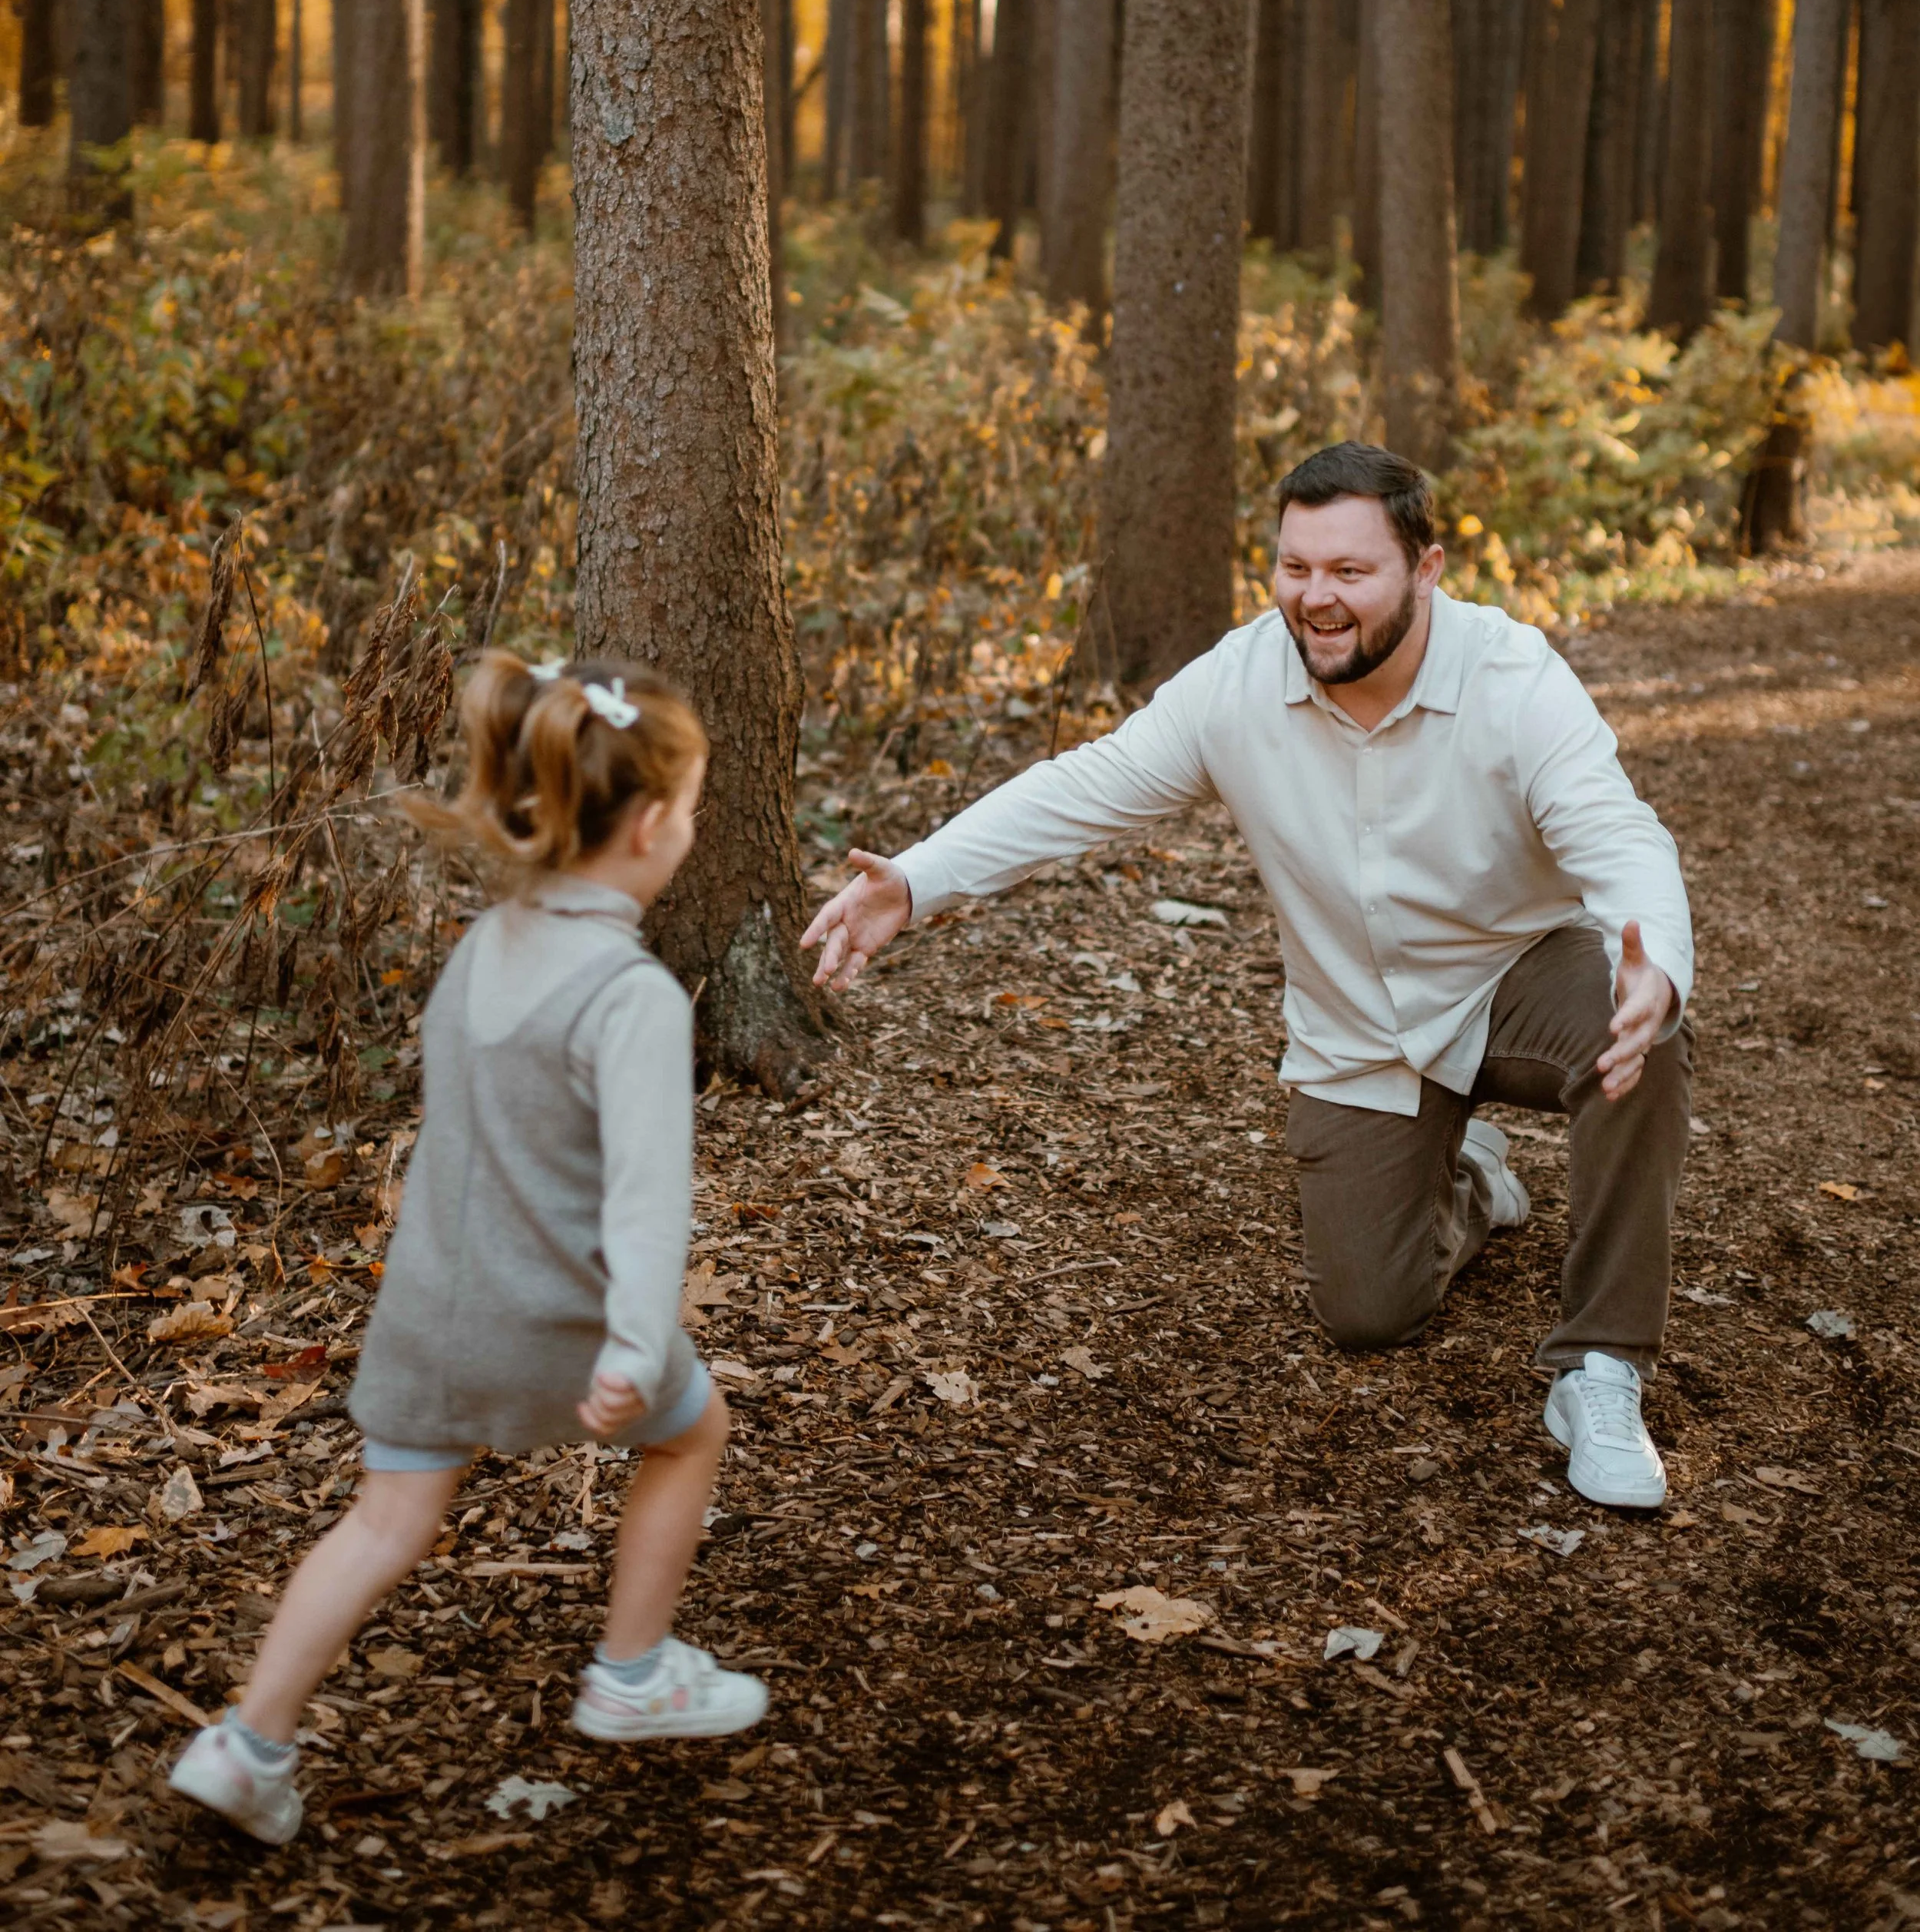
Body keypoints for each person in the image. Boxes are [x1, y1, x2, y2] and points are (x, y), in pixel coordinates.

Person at [804, 441, 1694, 1513]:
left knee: (1637, 1028)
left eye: (1351, 571)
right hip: (1357, 1027)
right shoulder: (1239, 682)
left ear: (1428, 568)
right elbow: (1088, 783)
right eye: (1295, 567)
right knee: (1367, 1312)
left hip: (1514, 976)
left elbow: (1618, 832)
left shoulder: (1513, 677)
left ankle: (1598, 1366)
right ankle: (1470, 1180)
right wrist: (916, 880)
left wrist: (1659, 967)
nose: (1316, 598)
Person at [167, 654, 766, 1847]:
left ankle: (247, 1742)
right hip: (555, 1322)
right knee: (693, 1430)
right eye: (692, 806)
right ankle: (633, 1673)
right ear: (651, 826)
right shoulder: (634, 994)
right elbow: (649, 1203)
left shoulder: (487, 942)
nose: (689, 827)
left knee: (385, 1523)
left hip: (429, 1310)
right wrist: (638, 1345)